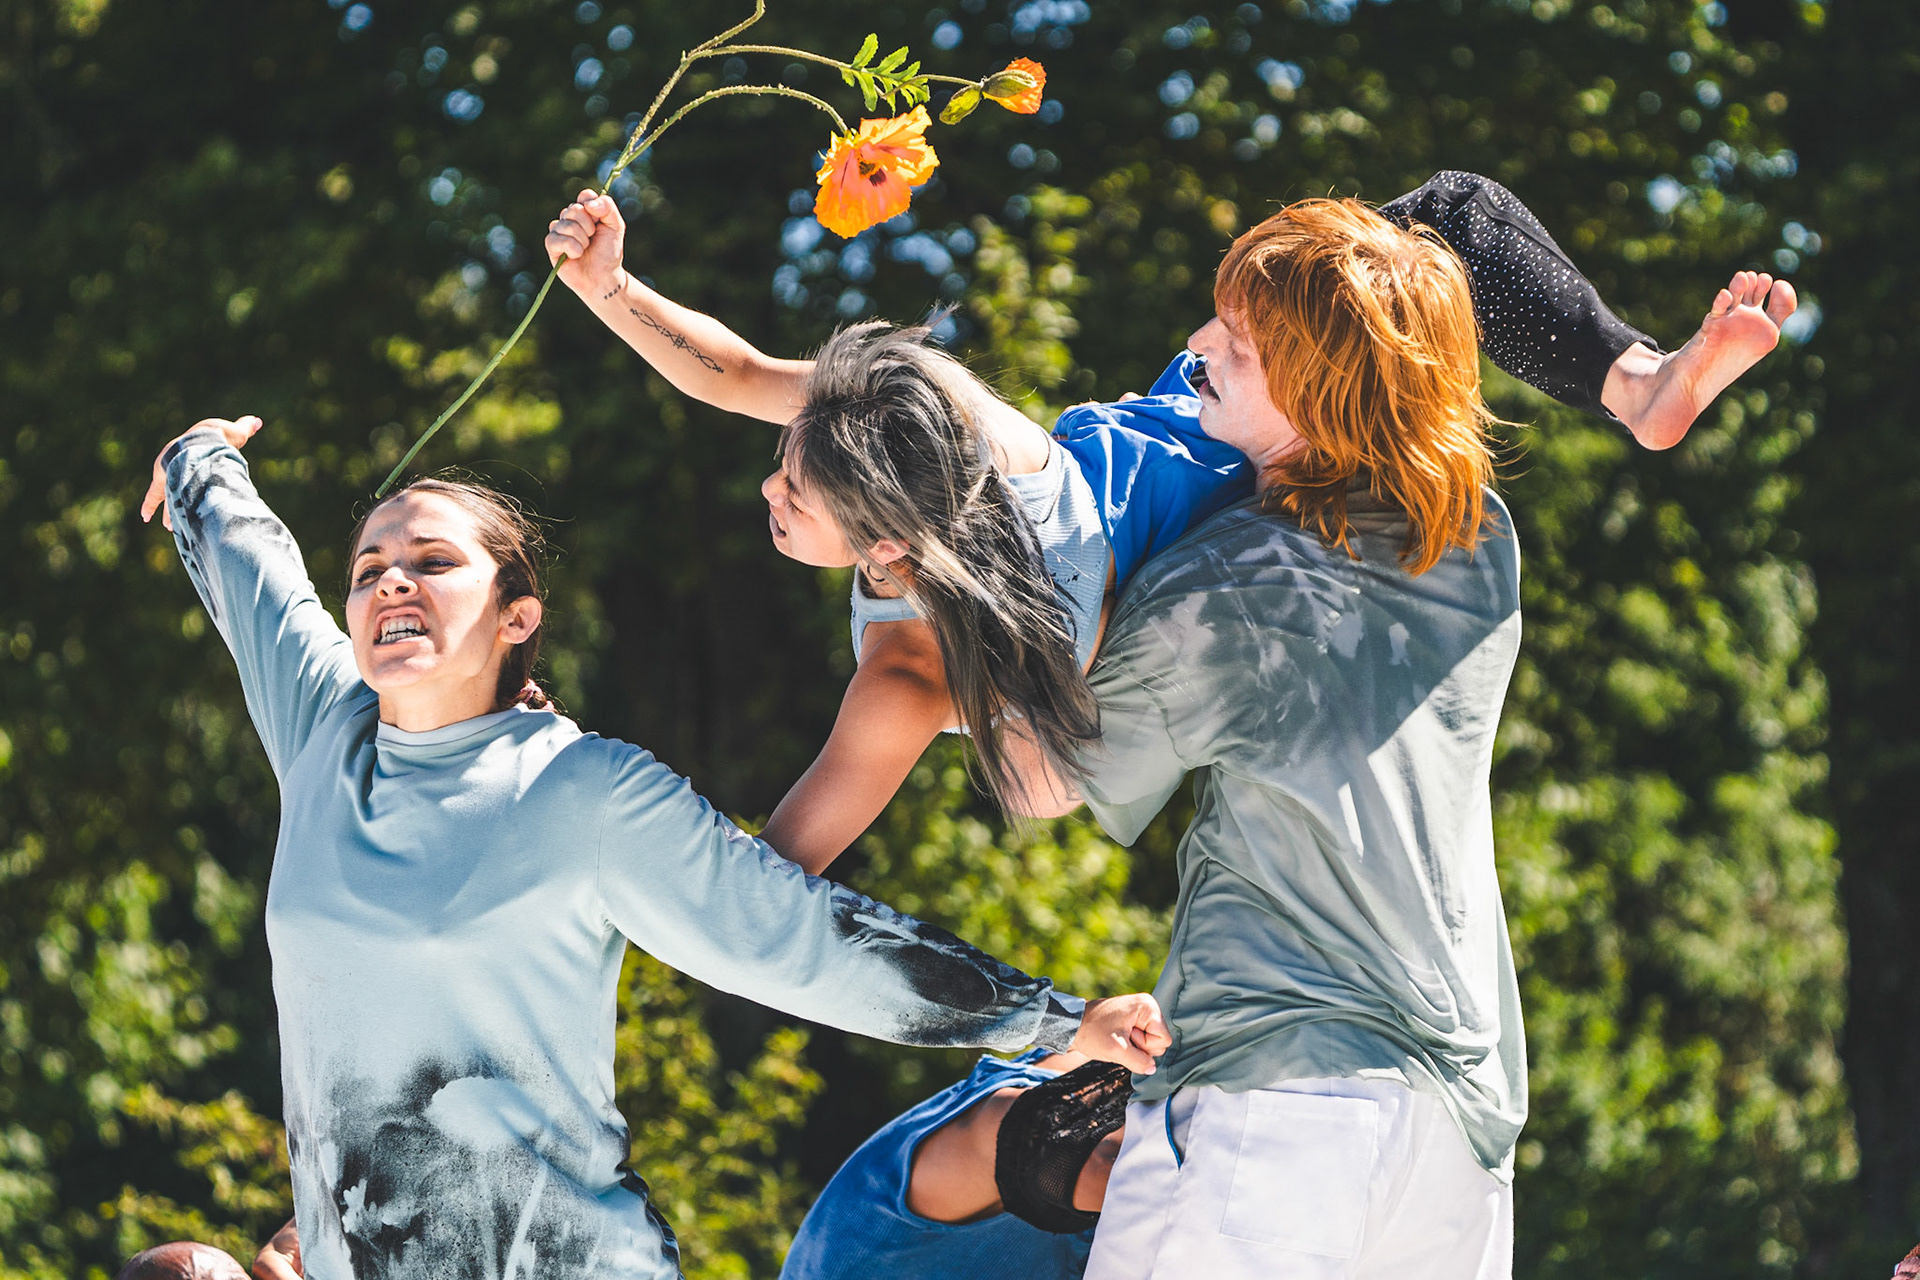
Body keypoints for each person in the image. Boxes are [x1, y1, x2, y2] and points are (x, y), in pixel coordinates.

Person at [135, 420, 1169, 1280]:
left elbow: (802, 937)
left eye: (433, 563)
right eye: (370, 570)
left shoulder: (581, 792)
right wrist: (198, 462)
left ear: (516, 615)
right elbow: (252, 572)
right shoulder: (325, 732)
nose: (390, 583)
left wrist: (1053, 1020)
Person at [544, 170, 1795, 875]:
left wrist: (611, 287)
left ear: (889, 542)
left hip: (1242, 411)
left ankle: (1639, 384)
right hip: (1260, 442)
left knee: (1443, 223)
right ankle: (1634, 386)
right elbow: (786, 858)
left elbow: (739, 369)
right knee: (1447, 221)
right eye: (786, 484)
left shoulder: (953, 519)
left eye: (791, 485)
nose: (767, 491)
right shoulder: (939, 575)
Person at [998, 195, 1543, 1278]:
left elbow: (1036, 777)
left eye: (1235, 346)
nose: (1197, 348)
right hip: (1461, 1127)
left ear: (1318, 387)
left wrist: (986, 575)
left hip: (1282, 1099)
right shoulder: (1477, 538)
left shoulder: (1228, 583)